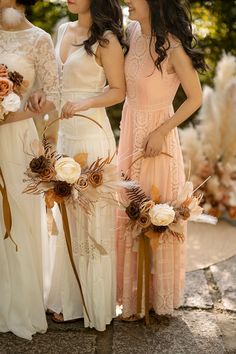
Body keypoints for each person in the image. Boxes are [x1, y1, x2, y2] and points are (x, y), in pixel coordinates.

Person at [31, 0, 126, 331]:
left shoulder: (108, 39)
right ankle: (67, 300)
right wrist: (43, 99)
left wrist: (84, 102)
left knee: (92, 221)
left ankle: (94, 303)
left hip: (92, 134)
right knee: (65, 216)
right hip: (66, 137)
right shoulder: (62, 29)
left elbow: (119, 91)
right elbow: (58, 86)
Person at [117, 0, 206, 320]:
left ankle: (155, 298)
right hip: (129, 132)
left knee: (154, 214)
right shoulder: (132, 31)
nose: (126, 1)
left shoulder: (172, 44)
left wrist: (160, 132)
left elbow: (195, 97)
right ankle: (132, 298)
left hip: (158, 139)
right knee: (129, 209)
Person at [0, 0, 59, 340]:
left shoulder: (39, 39)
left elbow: (52, 93)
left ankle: (19, 305)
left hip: (18, 137)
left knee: (19, 216)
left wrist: (27, 109)